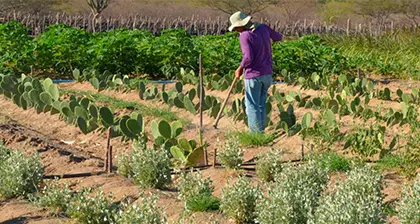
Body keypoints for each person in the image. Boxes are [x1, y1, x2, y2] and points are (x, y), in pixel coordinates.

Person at [229, 11, 283, 133]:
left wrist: (239, 69)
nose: (237, 30)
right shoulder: (263, 27)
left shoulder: (245, 35)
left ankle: (255, 135)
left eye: (237, 27)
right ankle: (261, 132)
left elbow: (248, 57)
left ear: (242, 24)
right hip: (267, 75)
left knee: (252, 106)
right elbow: (279, 37)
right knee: (261, 104)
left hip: (253, 75)